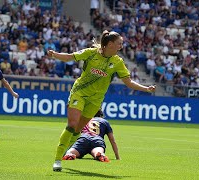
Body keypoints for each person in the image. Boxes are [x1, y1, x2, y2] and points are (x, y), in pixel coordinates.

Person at [47, 30, 156, 171]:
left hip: (96, 100)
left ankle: (68, 149)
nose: (121, 47)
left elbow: (128, 82)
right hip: (79, 93)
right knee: (72, 125)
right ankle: (57, 160)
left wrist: (146, 89)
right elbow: (70, 57)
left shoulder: (117, 62)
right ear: (110, 44)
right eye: (119, 44)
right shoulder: (91, 53)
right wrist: (55, 55)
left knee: (79, 129)